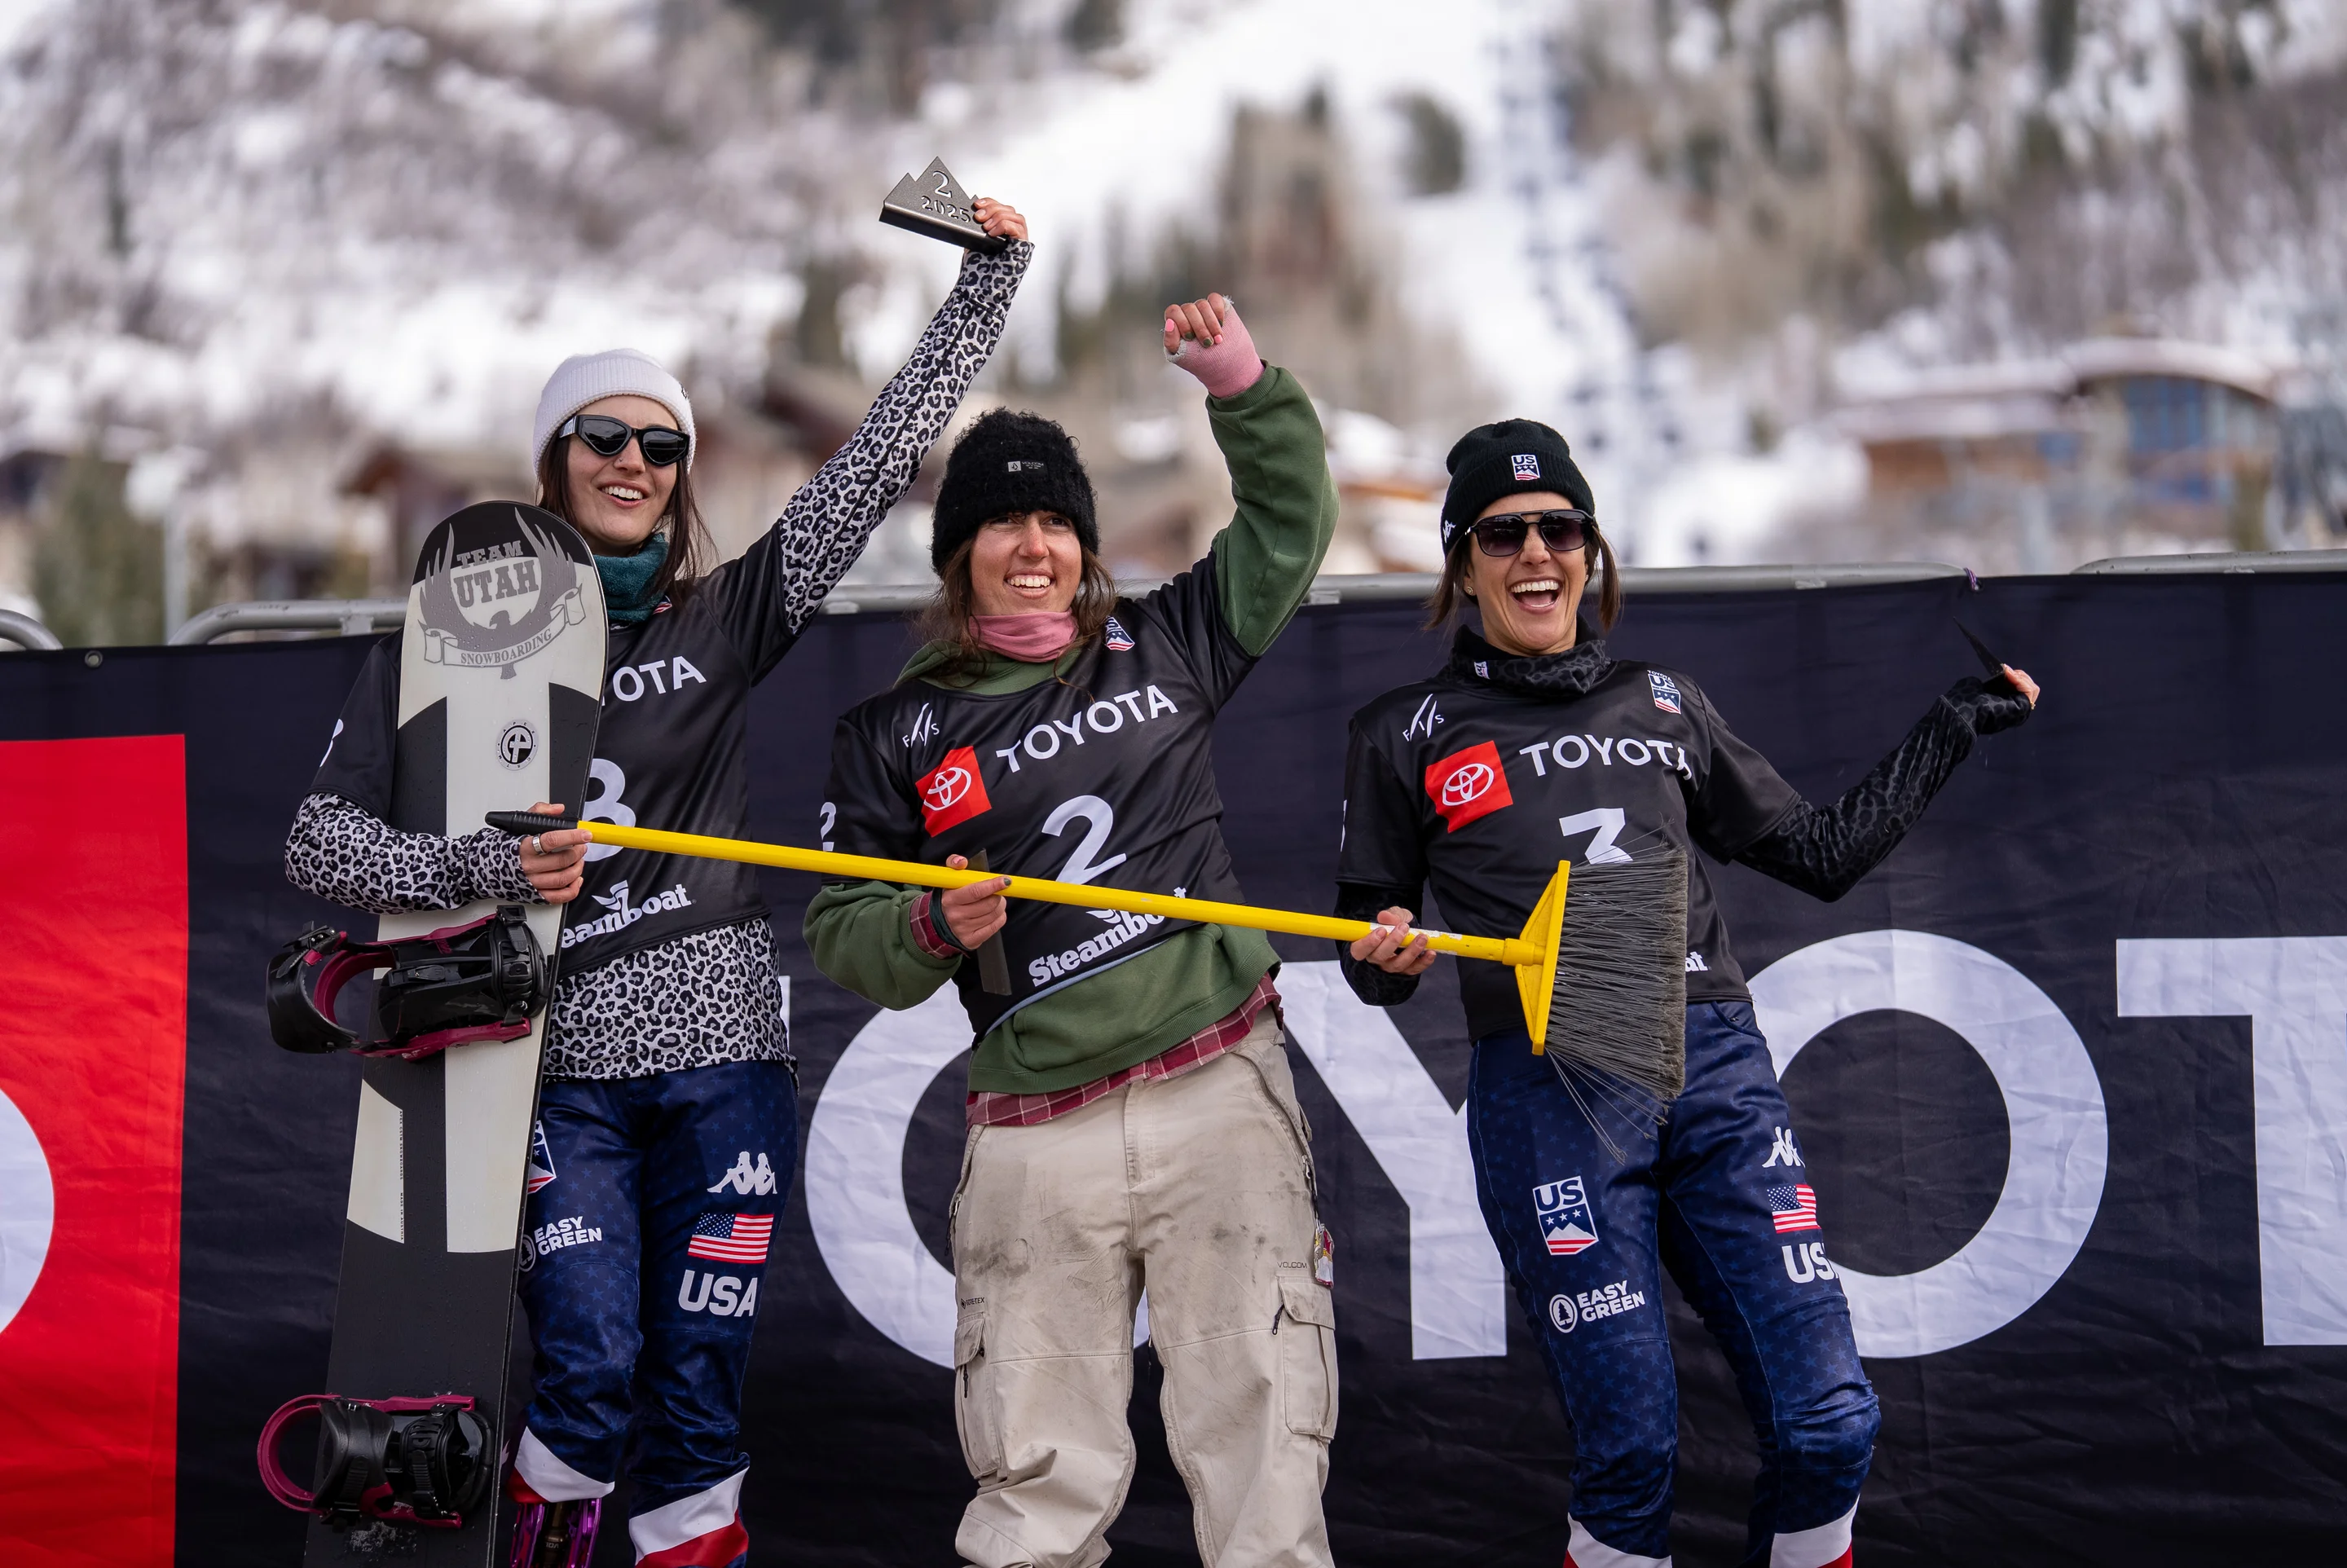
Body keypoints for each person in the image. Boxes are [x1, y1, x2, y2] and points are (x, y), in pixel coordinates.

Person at [284, 201, 1030, 1566]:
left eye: (661, 445)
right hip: (549, 1065)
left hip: (725, 1055)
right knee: (586, 1364)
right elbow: (319, 843)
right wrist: (480, 865)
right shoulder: (445, 645)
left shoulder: (722, 615)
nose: (633, 461)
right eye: (605, 437)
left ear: (683, 475)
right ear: (553, 462)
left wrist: (990, 282)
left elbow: (871, 467)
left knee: (696, 1393)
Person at [1333, 420, 2040, 1568]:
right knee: (1634, 1453)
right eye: (1504, 536)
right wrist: (1387, 950)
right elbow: (1368, 941)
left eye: (1561, 529)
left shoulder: (1664, 699)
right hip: (1548, 1076)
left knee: (1831, 1426)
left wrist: (1950, 727)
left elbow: (1819, 855)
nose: (1537, 556)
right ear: (1462, 563)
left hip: (1709, 1055)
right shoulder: (1403, 733)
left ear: (1591, 551)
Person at [806, 293, 1341, 1568]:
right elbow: (843, 933)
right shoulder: (891, 735)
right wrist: (929, 923)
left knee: (1265, 1452)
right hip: (1035, 1132)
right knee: (1035, 1485)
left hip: (1215, 1080)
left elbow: (1289, 525)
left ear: (1087, 545)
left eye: (1055, 520)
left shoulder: (1164, 642)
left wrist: (1244, 388)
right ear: (960, 555)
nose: (1032, 544)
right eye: (1001, 522)